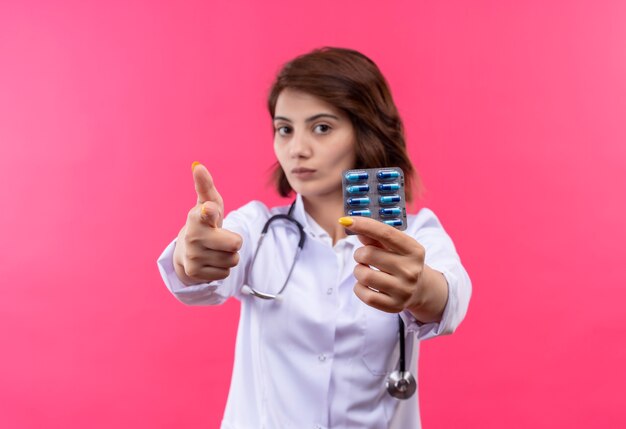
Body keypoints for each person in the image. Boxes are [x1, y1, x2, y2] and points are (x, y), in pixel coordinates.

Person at [157, 47, 471, 429]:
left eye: (322, 127)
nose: (297, 149)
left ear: (365, 129)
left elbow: (450, 297)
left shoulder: (415, 233)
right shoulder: (257, 229)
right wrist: (193, 258)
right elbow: (200, 273)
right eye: (284, 129)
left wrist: (421, 289)